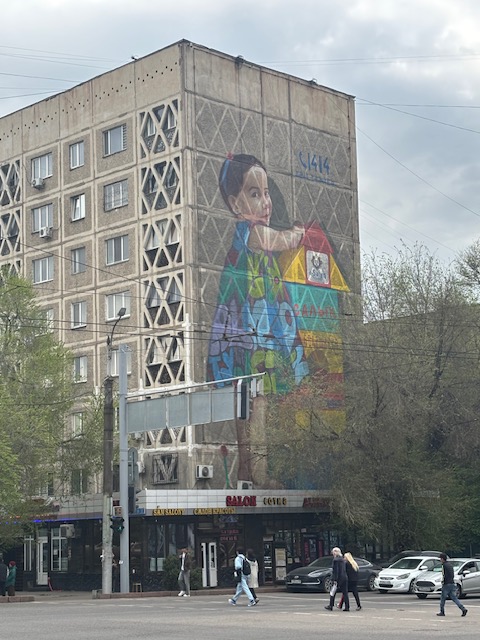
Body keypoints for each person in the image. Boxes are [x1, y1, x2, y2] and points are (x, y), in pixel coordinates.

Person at [208, 153, 309, 395]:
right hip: (249, 320)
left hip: (264, 314)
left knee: (261, 378)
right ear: (235, 204)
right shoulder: (251, 232)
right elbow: (280, 240)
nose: (266, 203)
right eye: (255, 194)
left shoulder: (256, 233)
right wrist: (298, 233)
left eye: (266, 193)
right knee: (253, 375)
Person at [437, 552, 467, 617]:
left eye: (440, 558)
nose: (440, 560)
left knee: (442, 599)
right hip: (452, 583)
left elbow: (444, 575)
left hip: (446, 584)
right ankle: (463, 608)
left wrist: (443, 582)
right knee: (454, 598)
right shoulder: (450, 565)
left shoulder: (444, 565)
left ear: (442, 559)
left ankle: (442, 612)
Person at [324, 547, 349, 611]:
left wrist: (335, 579)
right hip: (344, 577)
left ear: (335, 552)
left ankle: (330, 605)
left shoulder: (335, 560)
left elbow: (336, 571)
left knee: (332, 592)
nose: (333, 554)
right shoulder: (343, 560)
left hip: (338, 578)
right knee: (345, 593)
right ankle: (347, 607)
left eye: (333, 552)